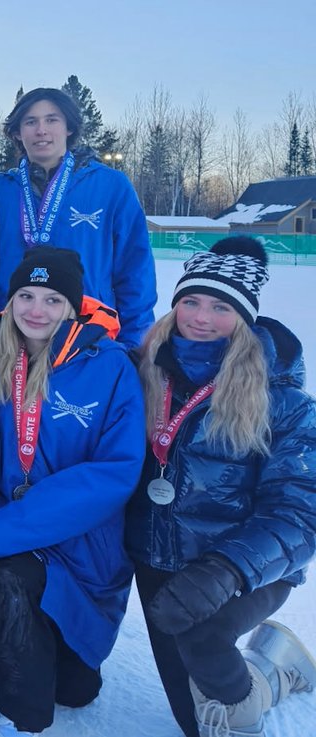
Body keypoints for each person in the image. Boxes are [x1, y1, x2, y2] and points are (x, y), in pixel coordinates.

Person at [126, 236, 316, 737]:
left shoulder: (283, 401)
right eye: (190, 300)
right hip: (158, 555)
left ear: (246, 316)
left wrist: (226, 569)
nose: (201, 317)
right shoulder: (141, 371)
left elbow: (301, 513)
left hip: (244, 566)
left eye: (220, 306)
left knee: (207, 643)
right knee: (192, 719)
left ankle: (270, 680)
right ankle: (274, 666)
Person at [0, 246, 146, 736]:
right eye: (25, 295)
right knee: (12, 583)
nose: (35, 310)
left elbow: (114, 472)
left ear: (74, 306)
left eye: (51, 299)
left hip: (84, 539)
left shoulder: (110, 367)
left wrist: (1, 528)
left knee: (78, 691)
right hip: (16, 535)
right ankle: (24, 717)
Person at [0, 88, 154, 349]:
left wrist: (135, 344)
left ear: (69, 128)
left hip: (88, 336)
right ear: (18, 132)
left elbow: (135, 271)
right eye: (30, 122)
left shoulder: (111, 186)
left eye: (52, 120)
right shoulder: (0, 189)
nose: (41, 130)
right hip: (12, 336)